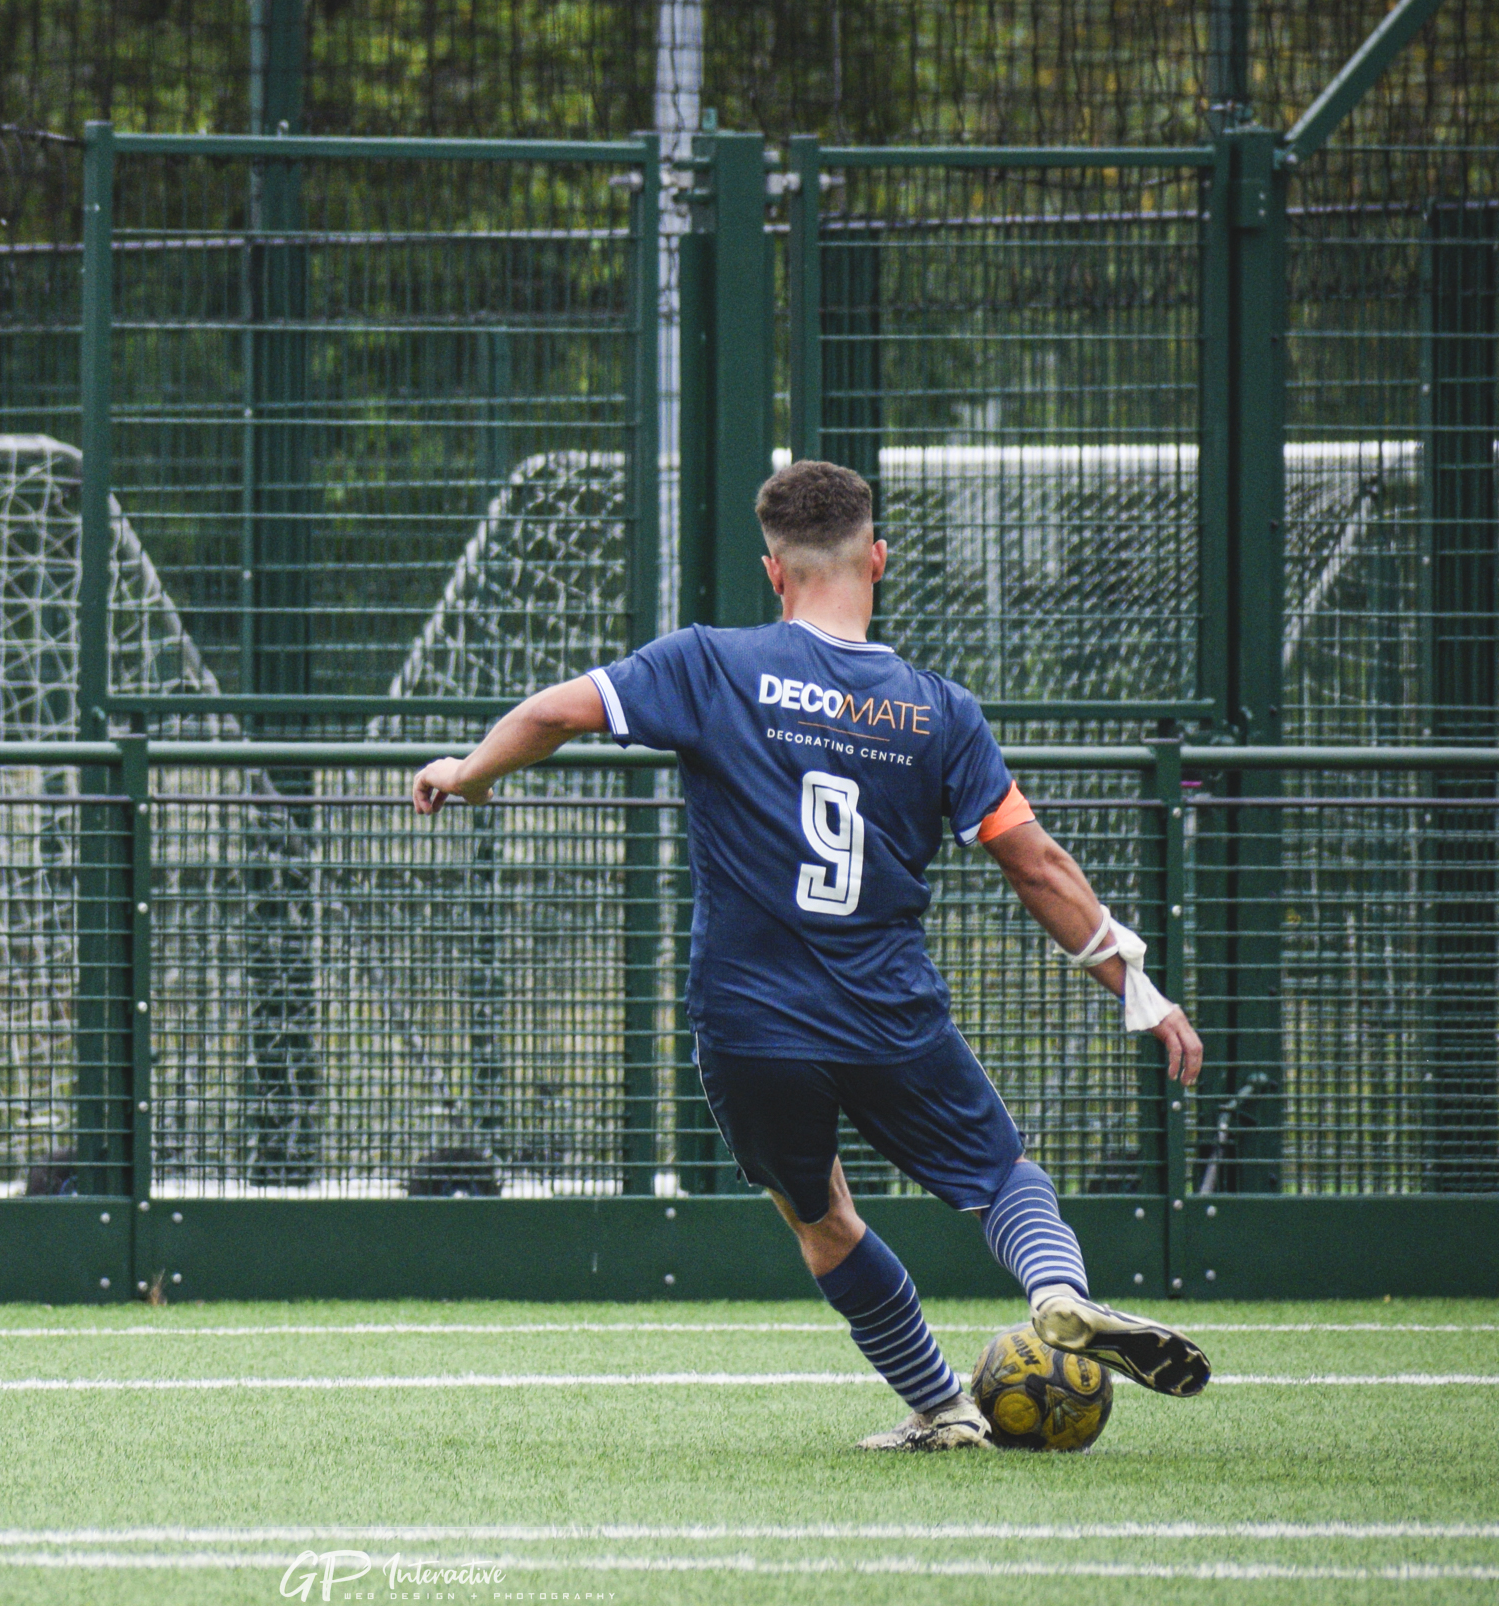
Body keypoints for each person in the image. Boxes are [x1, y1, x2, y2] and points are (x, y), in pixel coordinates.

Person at [410, 460, 1211, 1450]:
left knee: (818, 1210)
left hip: (751, 1023)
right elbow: (1035, 863)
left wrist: (469, 771)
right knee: (1002, 1178)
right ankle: (1055, 1292)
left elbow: (550, 714)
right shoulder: (937, 711)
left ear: (773, 571)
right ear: (876, 558)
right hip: (888, 1011)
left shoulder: (710, 662)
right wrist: (1136, 984)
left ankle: (941, 1406)